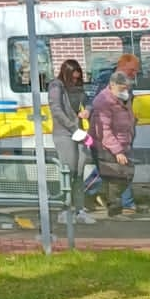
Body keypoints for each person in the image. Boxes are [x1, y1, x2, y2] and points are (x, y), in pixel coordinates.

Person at [49, 59, 95, 224]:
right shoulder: (56, 86)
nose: (75, 81)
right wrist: (73, 127)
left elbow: (88, 101)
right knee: (69, 171)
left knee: (80, 171)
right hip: (64, 133)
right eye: (73, 79)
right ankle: (65, 209)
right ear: (66, 75)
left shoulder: (78, 87)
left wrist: (87, 111)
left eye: (78, 78)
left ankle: (80, 210)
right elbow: (56, 110)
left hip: (79, 131)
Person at [88, 69, 139, 216]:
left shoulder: (124, 97)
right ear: (112, 85)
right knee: (114, 178)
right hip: (105, 145)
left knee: (122, 175)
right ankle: (115, 209)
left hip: (123, 142)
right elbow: (104, 130)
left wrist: (131, 125)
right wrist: (118, 151)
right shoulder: (103, 101)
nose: (125, 91)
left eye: (127, 88)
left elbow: (127, 116)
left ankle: (119, 205)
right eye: (122, 88)